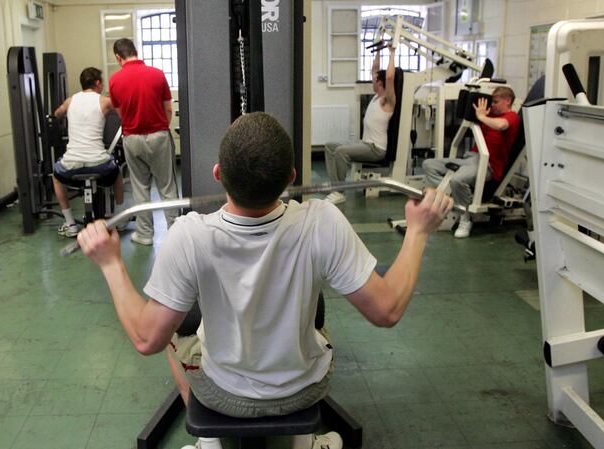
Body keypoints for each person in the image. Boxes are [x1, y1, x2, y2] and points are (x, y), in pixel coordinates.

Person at [78, 112, 453, 449]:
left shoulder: (189, 235)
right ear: (291, 178)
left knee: (175, 337)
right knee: (320, 319)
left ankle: (209, 444)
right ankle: (305, 443)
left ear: (218, 174)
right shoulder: (322, 221)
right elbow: (386, 310)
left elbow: (147, 339)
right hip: (306, 390)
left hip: (221, 393)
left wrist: (111, 263)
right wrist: (419, 231)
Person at [108, 38, 179, 246]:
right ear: (136, 51)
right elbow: (168, 109)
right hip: (159, 136)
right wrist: (160, 129)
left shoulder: (114, 80)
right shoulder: (157, 74)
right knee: (167, 186)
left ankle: (145, 234)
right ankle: (175, 234)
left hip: (132, 138)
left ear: (118, 57)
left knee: (140, 187)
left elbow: (120, 113)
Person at [422, 86, 519, 238]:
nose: (492, 105)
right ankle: (455, 199)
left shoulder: (511, 116)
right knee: (428, 165)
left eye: (496, 102)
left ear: (508, 101)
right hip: (470, 158)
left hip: (488, 165)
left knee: (457, 180)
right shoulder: (490, 114)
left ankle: (465, 218)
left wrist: (482, 118)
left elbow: (501, 125)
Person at [52, 67, 124, 238]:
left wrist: (65, 114)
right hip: (99, 165)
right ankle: (119, 219)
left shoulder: (70, 101)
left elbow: (57, 113)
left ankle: (70, 224)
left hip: (71, 165)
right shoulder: (104, 101)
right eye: (102, 82)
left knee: (55, 176)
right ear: (98, 83)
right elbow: (123, 111)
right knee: (117, 173)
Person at [323, 44, 397, 205]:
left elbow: (390, 77)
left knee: (341, 152)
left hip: (376, 149)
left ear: (381, 84)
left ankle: (339, 192)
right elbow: (375, 69)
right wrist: (378, 50)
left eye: (375, 80)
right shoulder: (376, 96)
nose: (373, 80)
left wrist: (392, 53)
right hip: (364, 144)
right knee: (330, 146)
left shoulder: (387, 101)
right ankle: (334, 185)